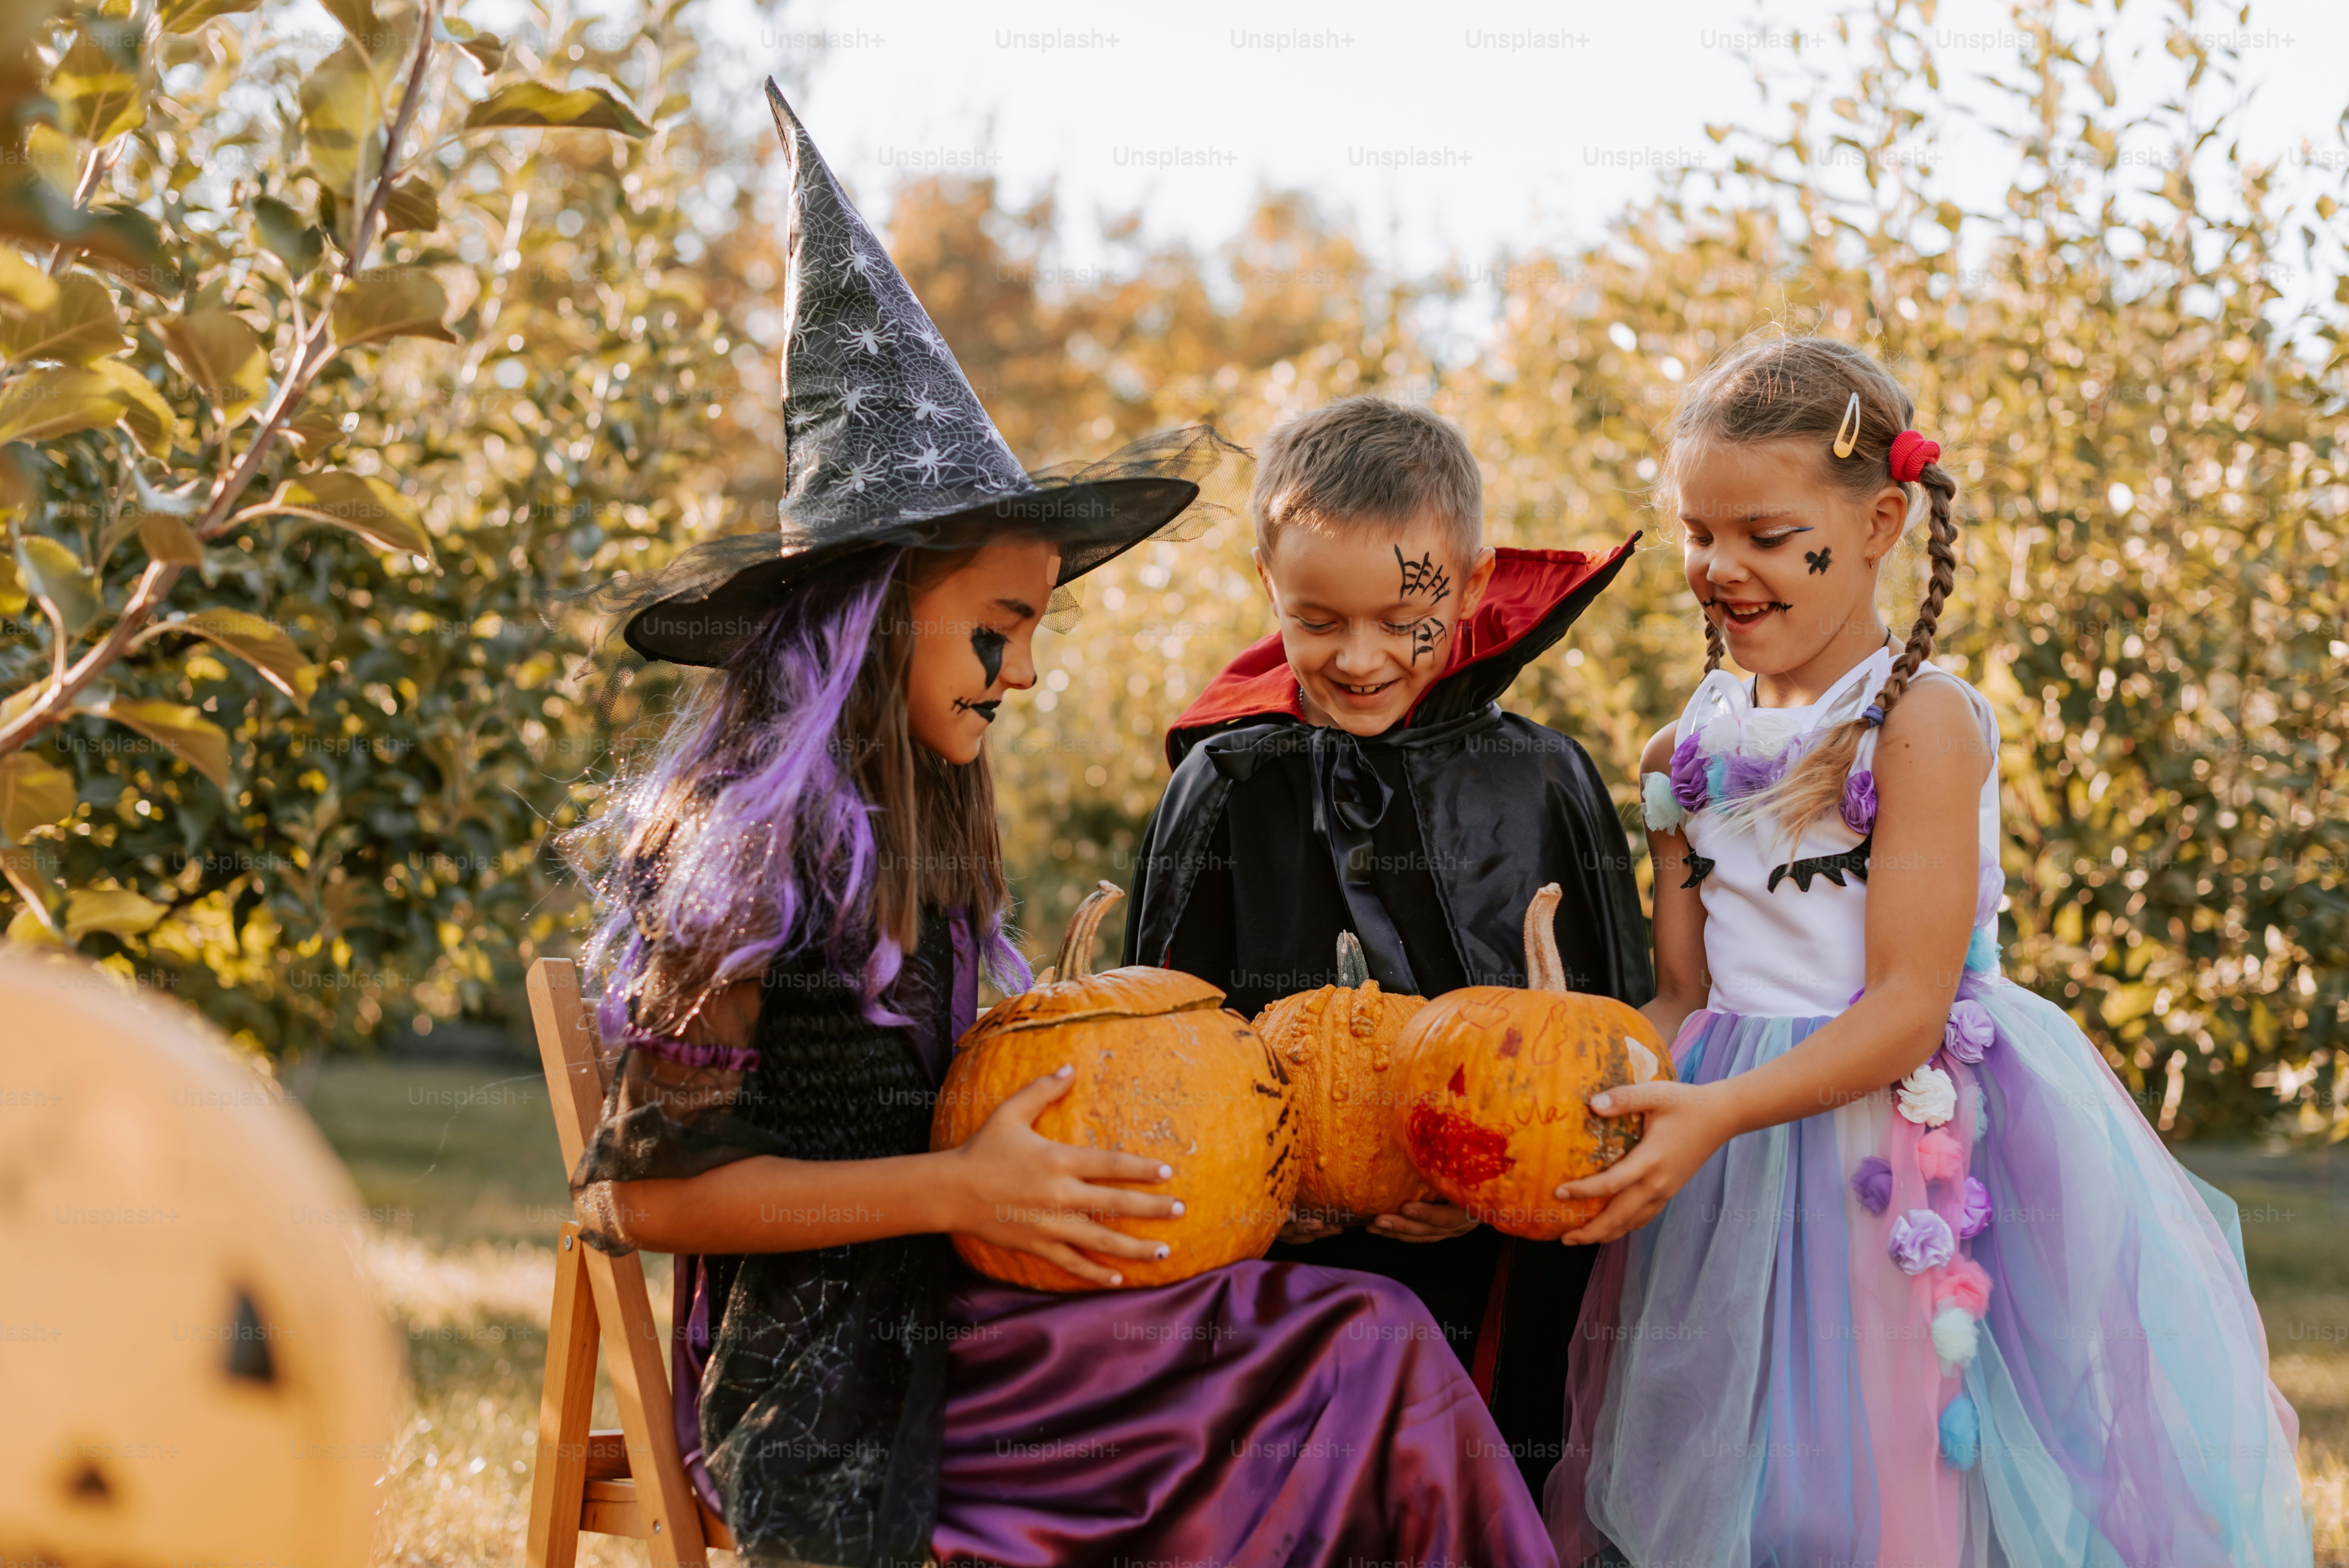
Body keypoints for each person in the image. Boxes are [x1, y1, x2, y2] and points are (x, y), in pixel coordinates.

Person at [560, 81, 1556, 1568]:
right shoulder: (740, 852)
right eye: (1000, 629)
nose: (1027, 668)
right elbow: (645, 1197)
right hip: (857, 1375)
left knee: (1353, 1331)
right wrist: (958, 1189)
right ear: (877, 624)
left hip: (989, 1308)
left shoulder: (923, 825)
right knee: (1349, 1356)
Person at [1545, 334, 2311, 1566]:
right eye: (1699, 532)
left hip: (1895, 1141)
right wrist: (1581, 1083)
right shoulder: (1678, 753)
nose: (1719, 568)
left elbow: (1905, 1005)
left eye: (1763, 534)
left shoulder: (1918, 726)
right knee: (1744, 1472)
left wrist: (1716, 1110)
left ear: (1882, 520)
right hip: (1729, 1158)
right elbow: (1684, 991)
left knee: (1889, 1470)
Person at [1125, 394, 1653, 1500]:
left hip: (1506, 1265)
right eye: (1319, 621)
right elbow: (1160, 1052)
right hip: (1286, 1271)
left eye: (1402, 619)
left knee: (1481, 1496)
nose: (1361, 657)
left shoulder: (1545, 779)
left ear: (1467, 586)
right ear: (1268, 585)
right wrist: (1277, 1193)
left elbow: (1608, 1051)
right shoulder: (1225, 785)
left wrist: (1496, 1186)